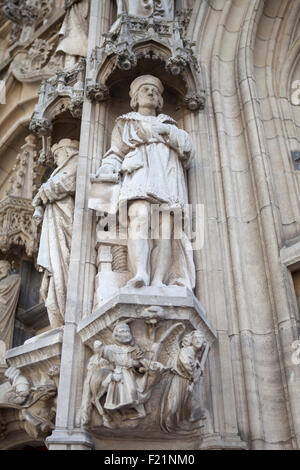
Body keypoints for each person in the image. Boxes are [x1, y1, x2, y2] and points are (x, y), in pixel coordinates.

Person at [95, 75, 196, 290]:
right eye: (145, 90)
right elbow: (115, 152)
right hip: (139, 175)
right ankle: (141, 273)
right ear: (135, 99)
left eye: (155, 91)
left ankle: (159, 280)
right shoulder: (125, 123)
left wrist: (166, 132)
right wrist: (108, 167)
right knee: (138, 218)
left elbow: (187, 150)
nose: (151, 93)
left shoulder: (170, 125)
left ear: (160, 101)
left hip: (167, 179)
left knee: (164, 230)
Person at [32, 139, 79, 328]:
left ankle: (65, 319)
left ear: (67, 152)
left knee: (61, 271)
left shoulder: (76, 161)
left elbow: (64, 184)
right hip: (55, 227)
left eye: (58, 155)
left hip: (65, 226)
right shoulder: (62, 169)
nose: (56, 160)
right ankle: (58, 321)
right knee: (50, 283)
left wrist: (42, 193)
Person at [160, 330, 207, 433]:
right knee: (174, 404)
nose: (198, 340)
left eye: (201, 338)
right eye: (196, 338)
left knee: (183, 405)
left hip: (186, 381)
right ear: (191, 340)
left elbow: (194, 363)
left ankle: (178, 425)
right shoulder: (186, 350)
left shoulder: (195, 353)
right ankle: (170, 424)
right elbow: (185, 363)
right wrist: (194, 375)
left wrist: (198, 365)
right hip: (179, 379)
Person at [0, 260, 21, 349]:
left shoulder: (15, 279)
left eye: (1, 268)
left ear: (8, 268)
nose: (0, 270)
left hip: (4, 311)